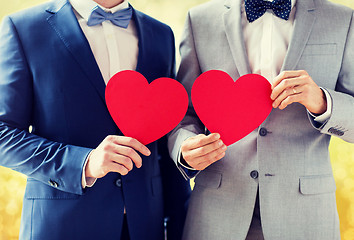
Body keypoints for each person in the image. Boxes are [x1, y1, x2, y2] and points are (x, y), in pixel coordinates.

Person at [0, 0, 190, 239]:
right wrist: (84, 163)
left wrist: (180, 228)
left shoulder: (161, 34)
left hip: (144, 228)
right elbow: (3, 133)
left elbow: (164, 140)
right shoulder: (24, 28)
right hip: (63, 226)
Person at [168, 0, 354, 239]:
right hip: (218, 212)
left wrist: (322, 102)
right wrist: (186, 148)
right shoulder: (200, 19)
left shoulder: (342, 19)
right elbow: (185, 114)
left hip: (305, 216)